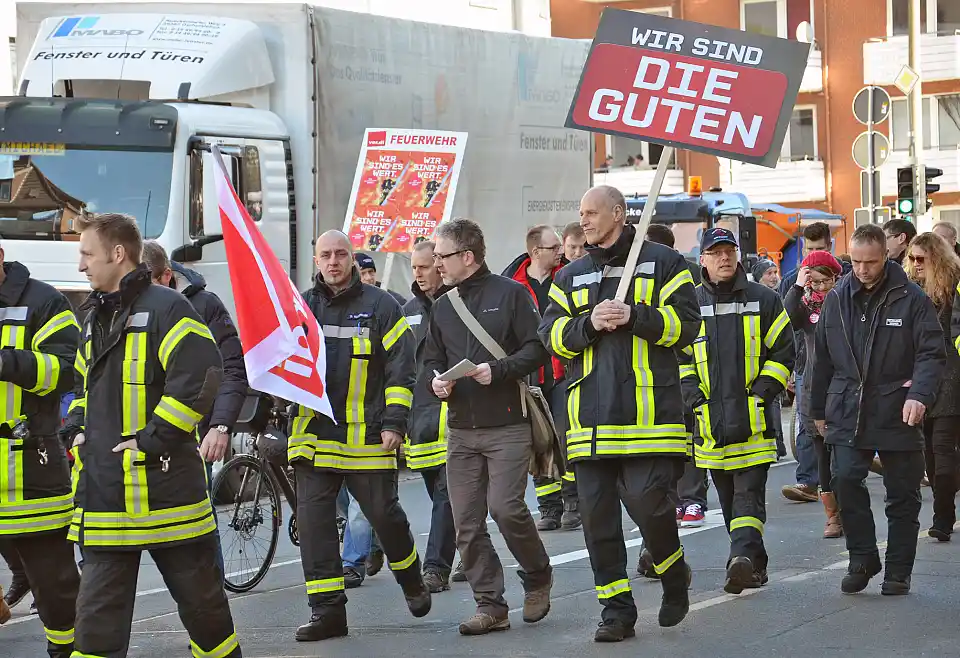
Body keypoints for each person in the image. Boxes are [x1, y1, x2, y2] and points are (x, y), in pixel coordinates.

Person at [62, 213, 240, 657]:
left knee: (206, 614)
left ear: (117, 254)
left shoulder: (168, 307)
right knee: (95, 626)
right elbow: (85, 384)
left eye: (87, 253)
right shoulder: (93, 316)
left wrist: (151, 439)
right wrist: (78, 429)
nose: (81, 266)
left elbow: (203, 377)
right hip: (106, 497)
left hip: (167, 495)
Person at [540, 186, 700, 643]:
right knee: (597, 524)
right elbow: (550, 336)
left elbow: (687, 326)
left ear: (618, 213)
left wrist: (635, 317)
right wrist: (589, 324)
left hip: (649, 415)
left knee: (652, 508)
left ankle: (673, 575)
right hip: (589, 418)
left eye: (592, 212)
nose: (584, 220)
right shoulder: (570, 274)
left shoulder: (666, 263)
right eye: (581, 212)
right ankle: (616, 611)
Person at [290, 230, 429, 642]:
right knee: (315, 528)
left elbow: (401, 370)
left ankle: (411, 578)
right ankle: (327, 612)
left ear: (352, 259)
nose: (333, 262)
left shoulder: (382, 306)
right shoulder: (301, 305)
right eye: (325, 255)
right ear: (316, 261)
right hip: (313, 434)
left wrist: (394, 422)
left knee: (385, 518)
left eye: (341, 254)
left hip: (368, 437)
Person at [422, 218, 553, 636]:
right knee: (467, 522)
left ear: (467, 256)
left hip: (507, 424)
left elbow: (537, 349)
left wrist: (495, 371)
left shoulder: (511, 294)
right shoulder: (442, 306)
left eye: (442, 256)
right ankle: (490, 604)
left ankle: (537, 576)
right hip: (460, 428)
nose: (436, 263)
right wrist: (437, 381)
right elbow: (429, 359)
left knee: (506, 508)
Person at [811, 224, 944, 595]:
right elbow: (821, 359)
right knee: (846, 480)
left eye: (870, 262)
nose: (863, 270)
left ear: (886, 256)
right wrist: (816, 409)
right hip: (847, 408)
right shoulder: (837, 298)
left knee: (902, 495)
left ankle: (898, 571)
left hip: (898, 408)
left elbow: (932, 353)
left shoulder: (912, 298)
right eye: (856, 262)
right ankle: (863, 557)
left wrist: (920, 395)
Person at [678, 227, 795, 594]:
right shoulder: (690, 304)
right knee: (729, 500)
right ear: (704, 260)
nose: (725, 257)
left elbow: (783, 351)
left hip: (754, 422)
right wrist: (694, 399)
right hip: (710, 425)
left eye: (730, 251)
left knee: (748, 494)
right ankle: (753, 565)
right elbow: (677, 360)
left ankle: (739, 559)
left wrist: (761, 394)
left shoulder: (765, 299)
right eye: (716, 252)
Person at [141, 241, 249, 579]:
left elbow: (231, 368)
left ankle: (211, 590)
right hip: (143, 432)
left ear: (167, 277)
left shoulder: (203, 306)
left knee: (198, 515)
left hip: (192, 432)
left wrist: (219, 426)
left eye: (148, 283)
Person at [0, 246, 80, 655]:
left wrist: (4, 361)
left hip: (30, 472)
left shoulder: (44, 301)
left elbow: (67, 370)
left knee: (56, 590)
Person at [503, 225, 580, 532]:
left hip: (563, 372)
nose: (561, 252)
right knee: (538, 440)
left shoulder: (568, 278)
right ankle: (549, 507)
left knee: (565, 436)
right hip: (530, 377)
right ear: (536, 252)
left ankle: (572, 502)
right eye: (555, 248)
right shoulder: (513, 284)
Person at [401, 240, 458, 591]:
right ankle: (473, 547)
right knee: (444, 498)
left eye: (424, 266)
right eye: (414, 268)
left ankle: (435, 567)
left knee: (447, 495)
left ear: (440, 265)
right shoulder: (406, 311)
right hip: (419, 422)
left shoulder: (458, 304)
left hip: (456, 418)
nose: (418, 273)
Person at [644, 222, 707, 527]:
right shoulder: (638, 275)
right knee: (673, 442)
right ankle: (677, 500)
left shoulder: (685, 272)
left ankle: (693, 499)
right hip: (659, 370)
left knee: (692, 436)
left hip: (688, 363)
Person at [779, 222, 847, 503]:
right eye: (810, 250)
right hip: (808, 373)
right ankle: (812, 484)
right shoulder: (798, 291)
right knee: (812, 434)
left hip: (844, 378)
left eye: (824, 281)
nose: (818, 286)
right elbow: (786, 324)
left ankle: (841, 485)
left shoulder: (846, 296)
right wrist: (791, 369)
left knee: (841, 440)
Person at [906, 233, 960, 541]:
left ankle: (943, 517)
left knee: (942, 448)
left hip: (951, 373)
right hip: (921, 377)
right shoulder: (909, 291)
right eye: (911, 258)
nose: (914, 265)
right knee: (928, 451)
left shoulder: (954, 286)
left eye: (920, 259)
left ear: (936, 258)